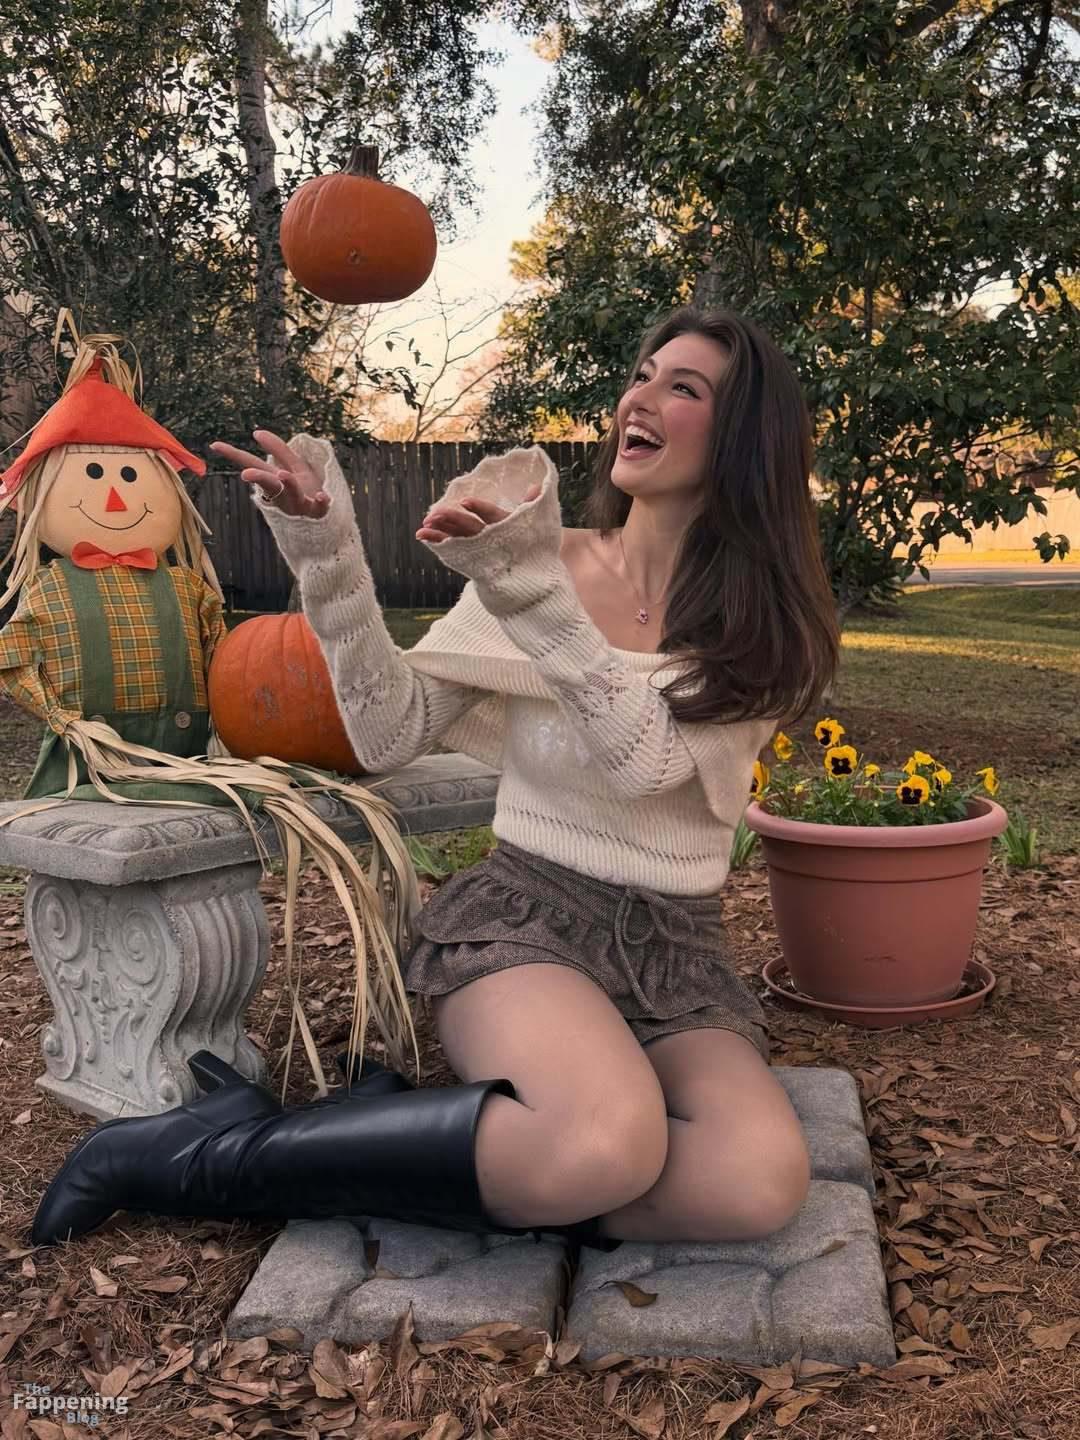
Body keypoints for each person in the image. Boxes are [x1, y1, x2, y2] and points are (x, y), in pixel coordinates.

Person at [31, 306, 840, 1252]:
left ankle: (441, 1149)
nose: (642, 398)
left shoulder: (763, 620)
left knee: (753, 1184)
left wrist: (530, 593)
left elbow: (649, 763)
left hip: (675, 954)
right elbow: (391, 730)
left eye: (684, 388)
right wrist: (330, 556)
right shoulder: (545, 564)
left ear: (743, 437)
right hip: (529, 926)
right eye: (643, 375)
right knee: (603, 1143)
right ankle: (201, 1157)